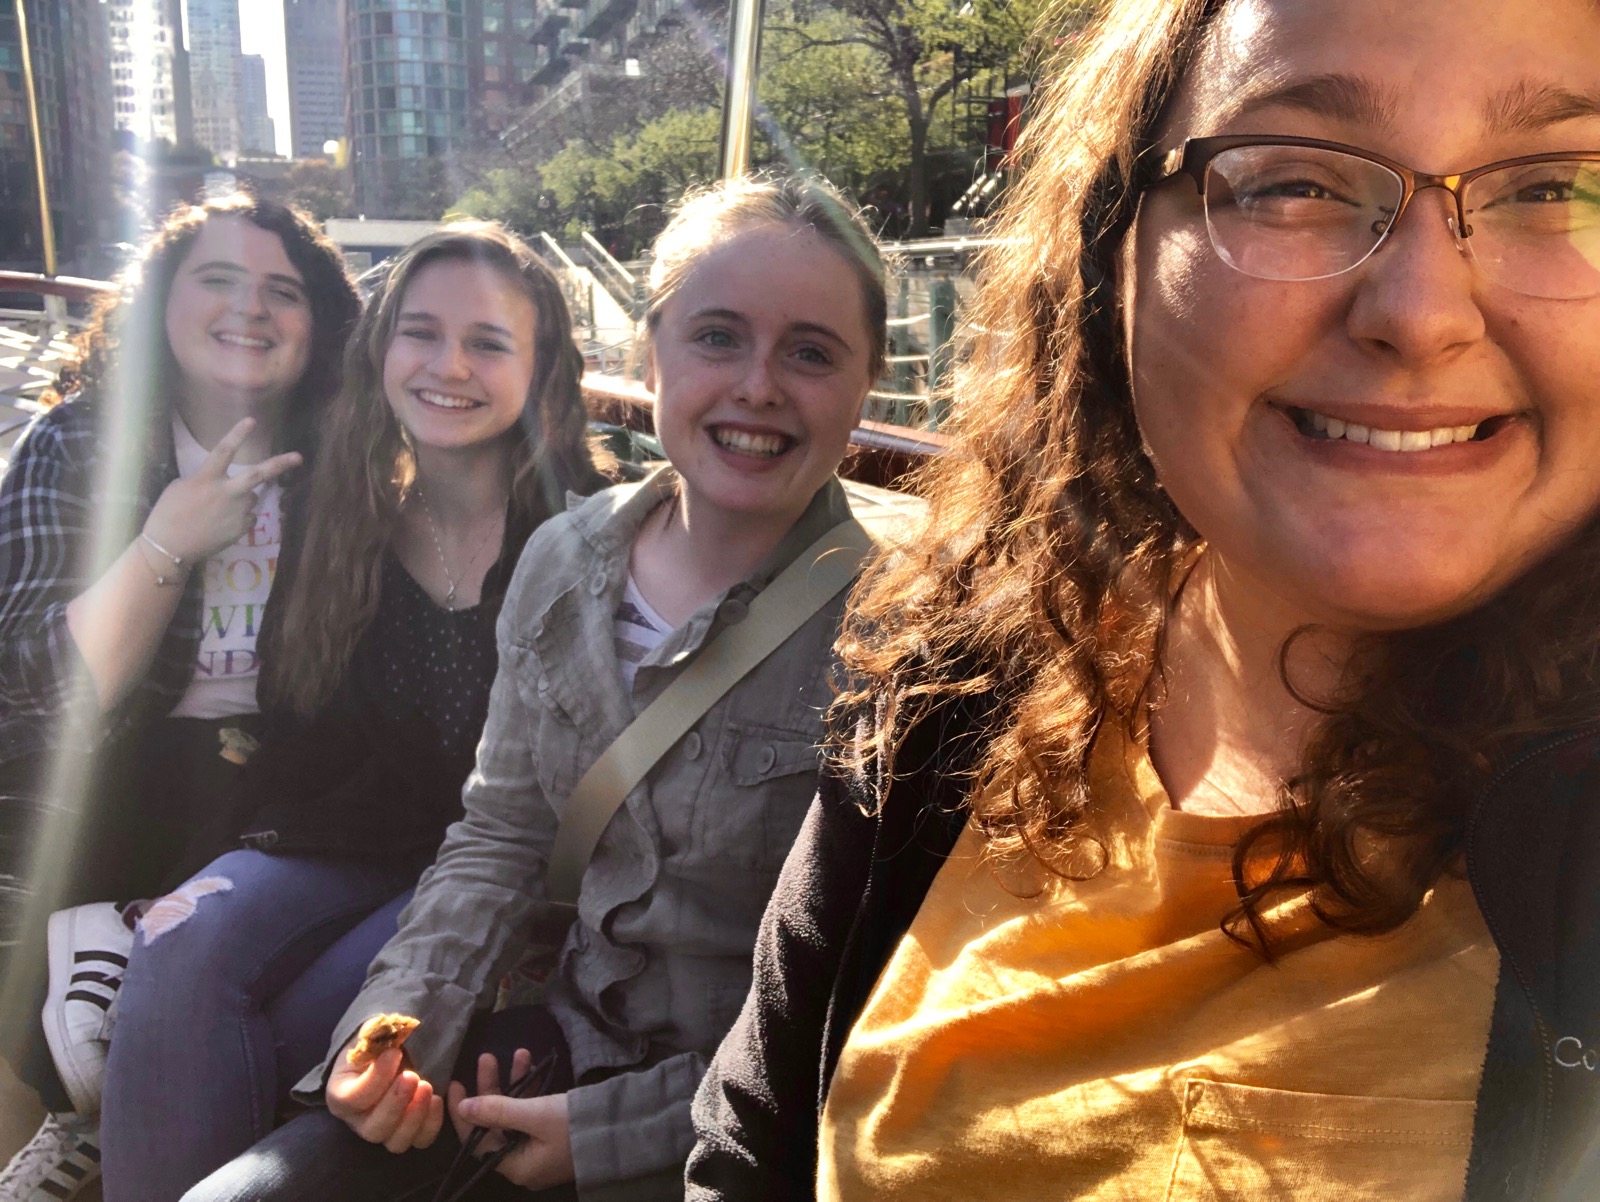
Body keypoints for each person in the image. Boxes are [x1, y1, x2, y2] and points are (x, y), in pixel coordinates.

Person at [687, 0, 1600, 1199]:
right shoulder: (959, 676)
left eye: (1554, 187)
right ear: (1112, 251)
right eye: (1292, 183)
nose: (1421, 311)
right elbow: (749, 1148)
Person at [182, 172, 889, 1202]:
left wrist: (614, 1130)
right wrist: (399, 1026)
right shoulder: (562, 561)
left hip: (728, 1129)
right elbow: (500, 834)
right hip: (540, 1052)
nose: (758, 385)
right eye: (717, 337)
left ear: (866, 381)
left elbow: (861, 996)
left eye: (811, 352)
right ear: (651, 353)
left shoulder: (901, 628)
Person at [88, 222, 612, 1201]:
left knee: (290, 1025)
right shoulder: (344, 514)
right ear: (378, 352)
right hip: (336, 836)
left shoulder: (591, 537)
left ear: (540, 370)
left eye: (489, 342)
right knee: (175, 943)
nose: (447, 364)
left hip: (493, 867)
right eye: (419, 332)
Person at [0, 196, 359, 1200]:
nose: (250, 307)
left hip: (289, 780)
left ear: (319, 323)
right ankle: (67, 1124)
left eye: (282, 290)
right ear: (161, 304)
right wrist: (167, 539)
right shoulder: (80, 444)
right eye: (217, 279)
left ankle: (115, 1119)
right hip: (106, 755)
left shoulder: (355, 458)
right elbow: (36, 689)